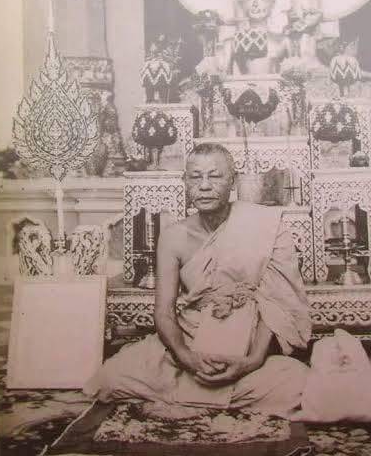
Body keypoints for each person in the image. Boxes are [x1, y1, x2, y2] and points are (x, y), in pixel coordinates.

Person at [83, 142, 311, 420]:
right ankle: (213, 396)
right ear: (185, 182)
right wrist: (185, 356)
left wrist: (251, 362)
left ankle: (189, 396)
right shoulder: (174, 236)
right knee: (109, 378)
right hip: (191, 338)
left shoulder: (265, 225)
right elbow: (164, 312)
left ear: (233, 182)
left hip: (245, 344)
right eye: (195, 176)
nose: (204, 186)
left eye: (215, 176)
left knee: (298, 382)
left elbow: (275, 304)